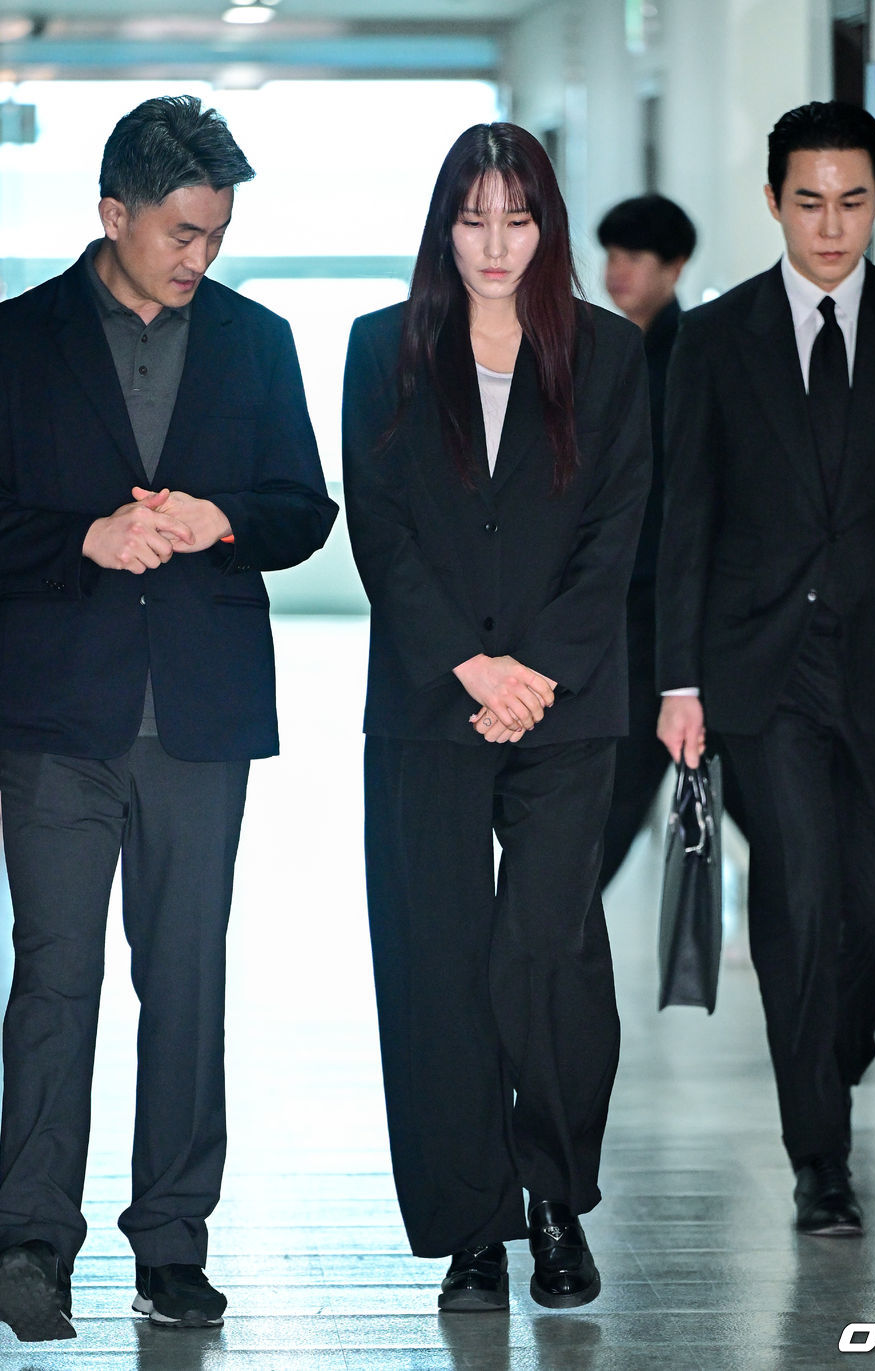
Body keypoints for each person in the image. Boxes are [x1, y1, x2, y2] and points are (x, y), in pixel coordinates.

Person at [0, 95, 336, 1341]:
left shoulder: (256, 340)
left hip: (200, 715)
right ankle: (28, 1242)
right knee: (55, 979)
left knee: (187, 983)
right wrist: (82, 539)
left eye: (217, 234)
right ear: (112, 213)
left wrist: (223, 520)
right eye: (183, 233)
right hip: (57, 717)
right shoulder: (13, 343)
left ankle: (173, 1246)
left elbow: (304, 508)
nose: (202, 256)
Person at [655, 101, 875, 1237]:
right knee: (800, 898)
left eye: (852, 201)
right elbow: (684, 518)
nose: (830, 225)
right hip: (761, 671)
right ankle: (821, 1159)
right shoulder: (717, 339)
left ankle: (825, 1058)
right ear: (773, 201)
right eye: (808, 202)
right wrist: (677, 681)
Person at [342, 122, 651, 1313]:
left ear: (545, 227)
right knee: (435, 959)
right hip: (430, 702)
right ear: (443, 226)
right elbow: (381, 527)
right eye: (472, 219)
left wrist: (535, 673)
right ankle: (471, 1228)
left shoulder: (609, 354)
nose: (493, 244)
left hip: (565, 706)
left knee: (547, 954)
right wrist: (470, 667)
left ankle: (555, 1202)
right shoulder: (383, 348)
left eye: (516, 220)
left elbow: (616, 530)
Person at [595, 194, 698, 886]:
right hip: (607, 606)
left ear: (675, 265)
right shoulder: (596, 350)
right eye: (611, 254)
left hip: (665, 607)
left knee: (621, 792)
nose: (617, 270)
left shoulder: (694, 356)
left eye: (635, 256)